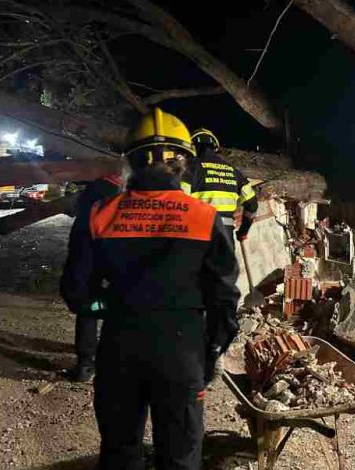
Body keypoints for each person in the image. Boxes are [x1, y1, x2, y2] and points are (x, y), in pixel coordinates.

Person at [60, 108, 240, 470]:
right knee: (180, 456)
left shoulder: (99, 214)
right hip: (183, 350)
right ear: (184, 163)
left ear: (131, 161)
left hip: (119, 346)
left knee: (120, 452)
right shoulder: (204, 218)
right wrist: (214, 348)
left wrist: (108, 307)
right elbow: (224, 297)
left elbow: (77, 293)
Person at [65, 174, 124, 382]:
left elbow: (77, 242)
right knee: (117, 308)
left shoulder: (88, 202)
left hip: (86, 264)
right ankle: (113, 360)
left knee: (87, 309)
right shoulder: (123, 201)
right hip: (115, 264)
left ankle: (85, 365)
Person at [183, 128, 258, 241]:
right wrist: (243, 231)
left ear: (191, 147)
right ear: (215, 148)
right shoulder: (234, 172)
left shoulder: (189, 169)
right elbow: (252, 204)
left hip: (198, 233)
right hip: (225, 236)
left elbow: (178, 201)